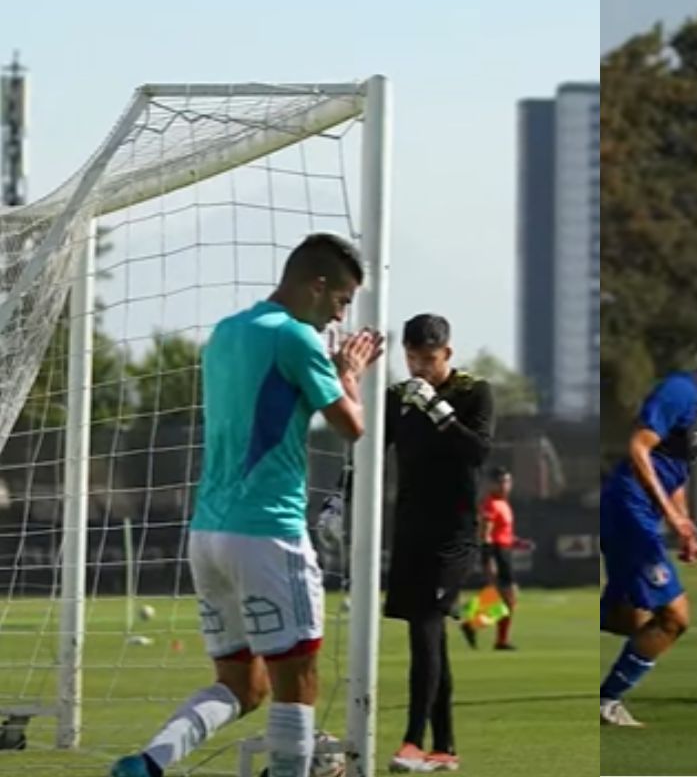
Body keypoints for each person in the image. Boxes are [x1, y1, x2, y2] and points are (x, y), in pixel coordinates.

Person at [111, 233, 383, 777]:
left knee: (243, 685)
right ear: (318, 284)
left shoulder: (228, 331)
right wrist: (349, 374)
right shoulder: (297, 339)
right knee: (297, 682)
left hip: (208, 534)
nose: (341, 314)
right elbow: (352, 426)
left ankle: (145, 765)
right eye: (343, 299)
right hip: (267, 534)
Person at [598, 317, 697, 728]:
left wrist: (683, 523)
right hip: (628, 507)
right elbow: (638, 447)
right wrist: (669, 515)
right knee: (675, 617)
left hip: (642, 514)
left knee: (632, 619)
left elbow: (674, 468)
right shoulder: (680, 392)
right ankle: (607, 701)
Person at [384, 313, 493, 773]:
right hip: (409, 530)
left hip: (454, 534)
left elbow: (478, 452)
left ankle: (412, 741)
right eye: (411, 358)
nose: (419, 368)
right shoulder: (397, 396)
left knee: (426, 627)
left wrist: (439, 411)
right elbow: (371, 449)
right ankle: (444, 747)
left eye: (428, 359)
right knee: (427, 636)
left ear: (447, 354)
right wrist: (339, 496)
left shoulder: (474, 392)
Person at [460, 466, 532, 651]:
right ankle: (476, 623)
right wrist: (488, 558)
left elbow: (503, 533)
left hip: (503, 551)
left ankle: (475, 623)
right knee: (507, 596)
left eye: (507, 482)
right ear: (492, 484)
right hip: (496, 553)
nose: (504, 486)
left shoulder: (503, 504)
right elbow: (486, 533)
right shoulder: (491, 504)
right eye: (500, 482)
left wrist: (517, 542)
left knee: (506, 597)